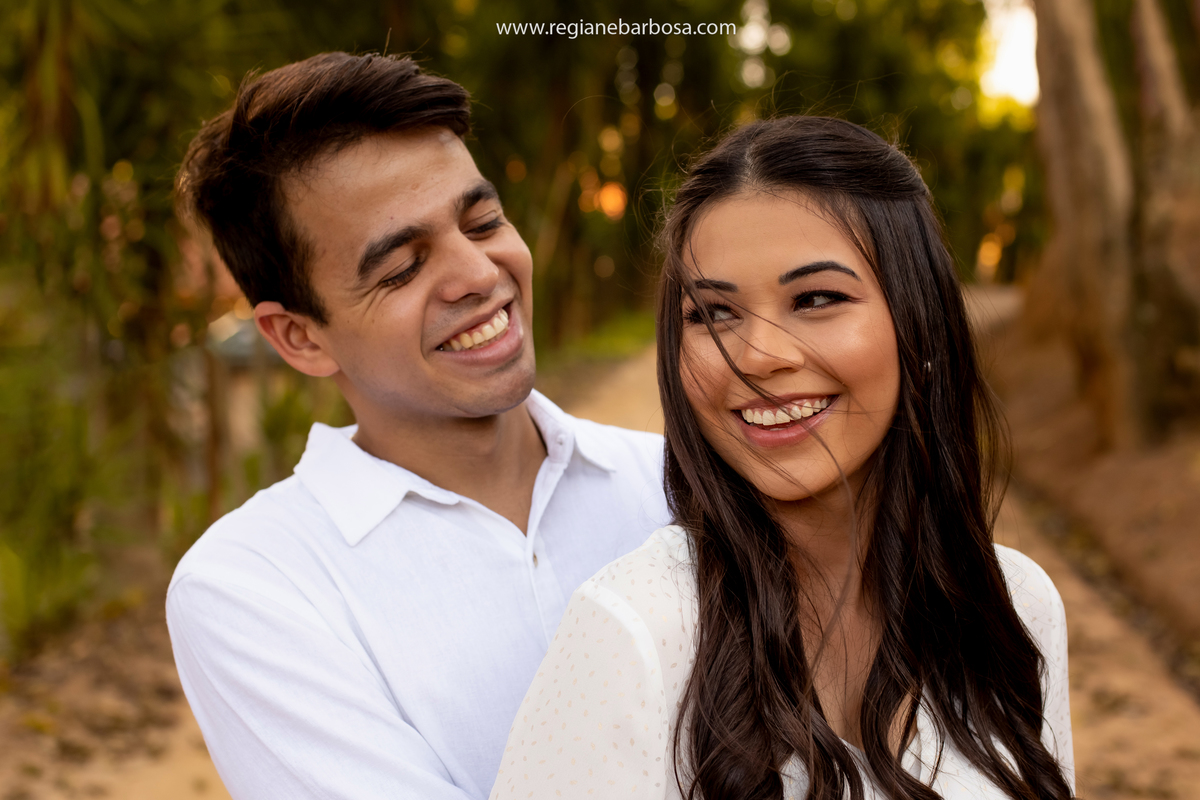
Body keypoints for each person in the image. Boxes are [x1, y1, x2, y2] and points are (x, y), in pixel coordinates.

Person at [491, 116, 1075, 799]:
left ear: (919, 318)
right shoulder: (638, 633)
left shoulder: (1016, 606)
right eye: (714, 314)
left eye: (816, 299)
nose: (760, 357)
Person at [167, 52, 668, 800]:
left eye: (484, 220)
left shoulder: (679, 482)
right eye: (401, 267)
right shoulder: (255, 588)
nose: (478, 273)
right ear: (300, 337)